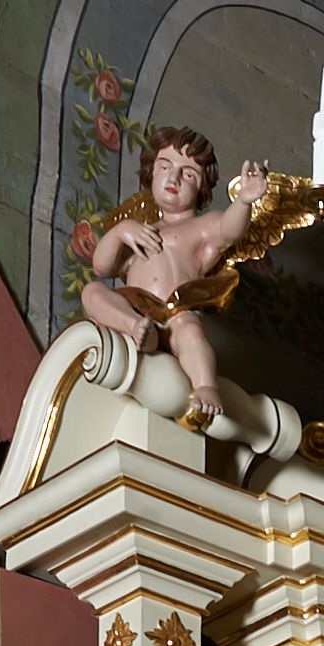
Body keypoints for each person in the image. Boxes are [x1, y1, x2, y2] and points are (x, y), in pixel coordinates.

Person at [80, 126, 268, 430]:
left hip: (174, 312)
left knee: (191, 331)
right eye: (165, 167)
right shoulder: (140, 230)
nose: (174, 178)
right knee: (92, 292)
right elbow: (102, 266)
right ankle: (136, 328)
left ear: (202, 188)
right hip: (137, 308)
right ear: (151, 173)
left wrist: (244, 202)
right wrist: (121, 231)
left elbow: (230, 230)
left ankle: (205, 385)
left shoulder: (202, 228)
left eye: (188, 174)